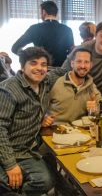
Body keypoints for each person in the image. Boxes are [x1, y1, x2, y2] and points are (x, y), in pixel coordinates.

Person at [0, 47, 66, 195]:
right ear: (23, 66)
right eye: (33, 63)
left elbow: (62, 70)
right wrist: (10, 165)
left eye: (43, 64)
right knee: (11, 181)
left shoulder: (45, 82)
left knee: (45, 180)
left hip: (26, 151)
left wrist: (40, 119)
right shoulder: (8, 89)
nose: (39, 68)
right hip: (5, 150)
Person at [42, 48, 102, 126]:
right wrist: (44, 118)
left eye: (86, 62)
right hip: (54, 131)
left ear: (90, 65)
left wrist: (97, 108)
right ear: (72, 64)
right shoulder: (55, 81)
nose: (83, 66)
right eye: (79, 61)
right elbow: (38, 106)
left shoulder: (91, 85)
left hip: (80, 133)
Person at [11, 1, 74, 67]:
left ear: (44, 12)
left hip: (40, 71)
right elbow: (72, 53)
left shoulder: (34, 28)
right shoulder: (67, 30)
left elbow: (15, 48)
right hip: (61, 72)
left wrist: (29, 57)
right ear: (56, 13)